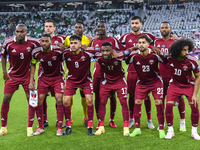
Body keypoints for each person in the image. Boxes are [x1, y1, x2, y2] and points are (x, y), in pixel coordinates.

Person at [0, 24, 40, 136]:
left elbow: (42, 48)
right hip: (13, 75)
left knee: (31, 100)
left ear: (26, 32)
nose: (19, 34)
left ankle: (29, 128)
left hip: (27, 76)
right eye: (17, 32)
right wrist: (4, 72)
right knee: (6, 98)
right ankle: (3, 127)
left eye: (21, 32)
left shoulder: (33, 43)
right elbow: (3, 56)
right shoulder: (8, 42)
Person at [119, 16, 155, 129]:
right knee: (131, 95)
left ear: (141, 24)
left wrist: (174, 36)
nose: (134, 25)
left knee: (146, 96)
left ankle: (149, 119)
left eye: (136, 23)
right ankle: (131, 118)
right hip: (132, 70)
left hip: (146, 71)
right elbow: (119, 49)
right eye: (132, 23)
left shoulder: (149, 36)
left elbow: (157, 44)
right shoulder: (125, 37)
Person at [127, 35, 166, 138]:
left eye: (143, 42)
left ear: (149, 44)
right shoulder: (134, 56)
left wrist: (161, 52)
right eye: (139, 42)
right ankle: (137, 129)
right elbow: (122, 58)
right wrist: (131, 49)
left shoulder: (155, 55)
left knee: (158, 102)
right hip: (142, 83)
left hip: (155, 82)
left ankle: (161, 129)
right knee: (137, 102)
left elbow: (167, 60)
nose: (141, 44)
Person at [28, 34, 64, 137]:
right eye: (42, 41)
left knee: (59, 99)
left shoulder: (58, 50)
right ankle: (40, 127)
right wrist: (31, 81)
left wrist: (64, 47)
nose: (44, 43)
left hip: (58, 77)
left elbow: (68, 56)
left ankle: (60, 128)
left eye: (46, 41)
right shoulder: (36, 52)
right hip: (44, 77)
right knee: (39, 100)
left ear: (51, 42)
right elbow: (33, 65)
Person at [90, 21, 124, 129]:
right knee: (97, 96)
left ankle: (112, 120)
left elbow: (122, 52)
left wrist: (116, 54)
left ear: (106, 28)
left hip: (111, 73)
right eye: (98, 27)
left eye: (102, 27)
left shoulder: (113, 40)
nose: (100, 28)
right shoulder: (94, 41)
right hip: (98, 73)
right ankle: (99, 120)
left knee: (112, 96)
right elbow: (91, 54)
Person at [165, 39, 200, 140]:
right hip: (174, 85)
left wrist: (195, 94)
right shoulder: (170, 58)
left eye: (187, 50)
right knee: (168, 106)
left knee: (194, 106)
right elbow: (157, 54)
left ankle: (194, 132)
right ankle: (170, 130)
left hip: (188, 85)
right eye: (184, 50)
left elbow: (197, 77)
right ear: (177, 50)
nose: (187, 52)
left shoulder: (192, 60)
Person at [93, 42, 131, 136]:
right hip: (106, 82)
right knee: (102, 102)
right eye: (103, 51)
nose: (105, 53)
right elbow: (87, 49)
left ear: (112, 51)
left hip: (119, 81)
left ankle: (126, 127)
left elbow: (129, 51)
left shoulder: (118, 56)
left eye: (107, 51)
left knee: (123, 102)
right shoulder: (98, 57)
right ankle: (101, 127)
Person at [154, 21, 186, 131]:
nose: (164, 29)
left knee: (180, 98)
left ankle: (182, 122)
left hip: (174, 76)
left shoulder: (175, 42)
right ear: (160, 30)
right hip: (161, 77)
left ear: (170, 30)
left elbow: (184, 55)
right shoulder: (156, 42)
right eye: (162, 27)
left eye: (166, 28)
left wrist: (180, 40)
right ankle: (161, 123)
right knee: (161, 99)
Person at [62, 35, 95, 136]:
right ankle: (68, 126)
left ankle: (90, 126)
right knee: (66, 101)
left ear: (80, 44)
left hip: (86, 80)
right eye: (71, 43)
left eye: (75, 43)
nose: (73, 45)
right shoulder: (66, 54)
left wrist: (92, 42)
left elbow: (100, 50)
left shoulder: (87, 53)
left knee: (89, 100)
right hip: (72, 80)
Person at [64, 21, 91, 127]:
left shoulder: (87, 39)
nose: (78, 29)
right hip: (71, 72)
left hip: (83, 73)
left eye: (80, 27)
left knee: (84, 95)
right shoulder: (68, 39)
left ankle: (86, 116)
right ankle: (69, 117)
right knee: (69, 96)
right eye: (76, 27)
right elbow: (65, 50)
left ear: (83, 29)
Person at [40, 19, 66, 128]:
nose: (48, 28)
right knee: (43, 97)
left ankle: (58, 119)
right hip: (43, 71)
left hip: (57, 71)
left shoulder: (61, 39)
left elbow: (73, 46)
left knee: (58, 97)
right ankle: (44, 119)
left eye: (50, 26)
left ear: (54, 28)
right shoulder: (40, 40)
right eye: (46, 26)